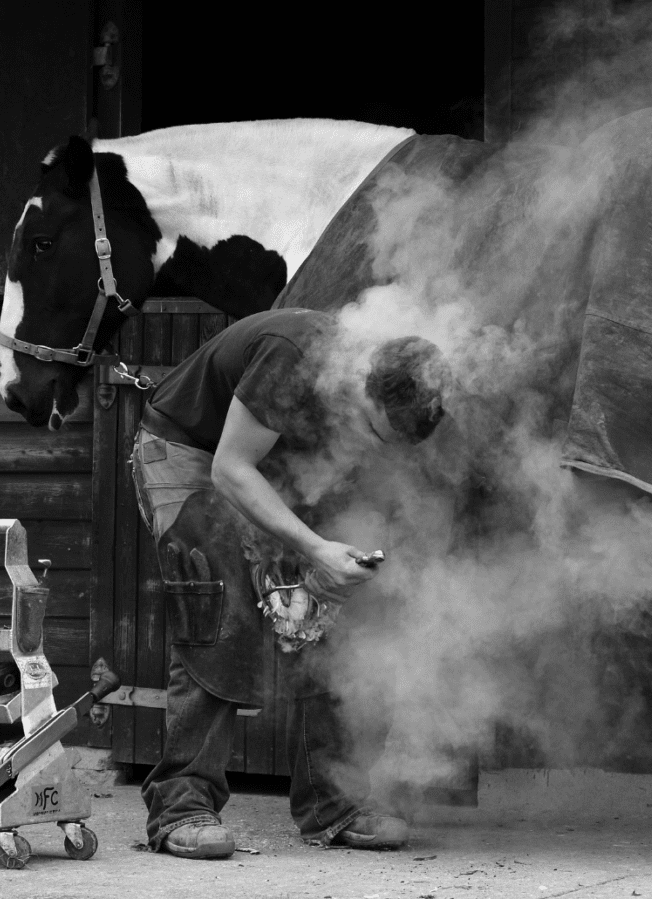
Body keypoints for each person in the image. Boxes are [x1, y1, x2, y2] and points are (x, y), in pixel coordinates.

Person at [130, 306, 451, 859]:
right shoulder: (292, 357)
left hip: (265, 461)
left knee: (327, 606)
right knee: (218, 603)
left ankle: (335, 804)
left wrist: (336, 564)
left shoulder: (364, 378)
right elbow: (231, 469)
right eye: (373, 431)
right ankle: (180, 805)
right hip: (191, 452)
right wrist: (314, 547)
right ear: (360, 382)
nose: (376, 449)